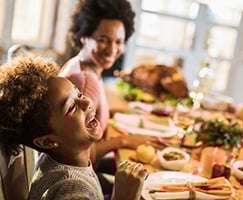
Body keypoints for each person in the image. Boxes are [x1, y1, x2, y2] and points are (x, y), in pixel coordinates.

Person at [0, 55, 147, 200]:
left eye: (79, 94)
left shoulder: (56, 160)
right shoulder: (73, 190)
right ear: (48, 141)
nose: (87, 102)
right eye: (71, 108)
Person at [60, 0, 162, 168]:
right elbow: (75, 154)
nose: (111, 49)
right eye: (103, 40)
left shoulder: (81, 65)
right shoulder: (85, 80)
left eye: (118, 42)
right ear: (84, 36)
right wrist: (124, 141)